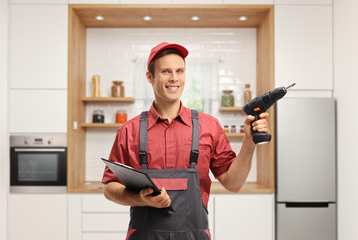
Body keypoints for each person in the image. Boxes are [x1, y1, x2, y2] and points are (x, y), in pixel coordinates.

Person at [102, 42, 270, 240]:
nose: (174, 78)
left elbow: (233, 183)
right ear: (150, 77)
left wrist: (249, 143)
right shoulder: (130, 130)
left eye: (180, 71)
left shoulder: (209, 127)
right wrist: (139, 198)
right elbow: (110, 188)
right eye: (165, 71)